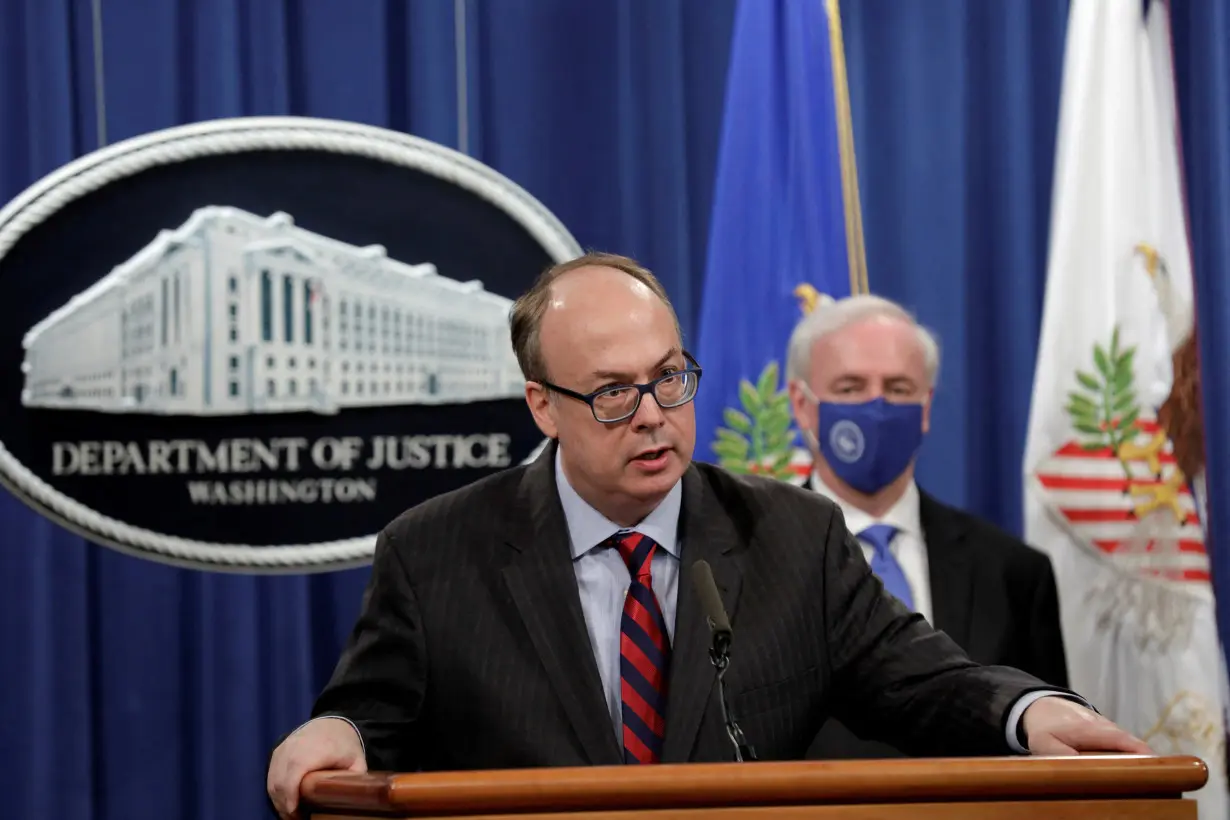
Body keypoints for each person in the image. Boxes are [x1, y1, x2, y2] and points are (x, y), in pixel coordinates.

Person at [266, 253, 1149, 819]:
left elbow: (922, 677)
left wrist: (1030, 712)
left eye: (670, 379)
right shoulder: (437, 552)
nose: (654, 419)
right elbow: (372, 716)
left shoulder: (792, 538)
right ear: (542, 404)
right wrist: (337, 728)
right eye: (613, 393)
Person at [781, 294, 1070, 761]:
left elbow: (1050, 754)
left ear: (927, 405)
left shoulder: (1013, 572)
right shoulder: (751, 559)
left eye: (897, 388)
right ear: (803, 404)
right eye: (851, 387)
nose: (876, 407)